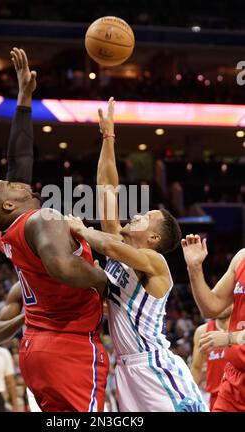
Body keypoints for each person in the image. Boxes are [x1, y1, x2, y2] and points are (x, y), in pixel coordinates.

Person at [0, 48, 109, 412]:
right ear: (7, 204)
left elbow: (19, 159)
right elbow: (63, 268)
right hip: (70, 347)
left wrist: (24, 98)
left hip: (37, 348)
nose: (17, 181)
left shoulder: (13, 231)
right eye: (9, 185)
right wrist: (104, 281)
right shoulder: (41, 219)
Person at [65, 97, 208, 412]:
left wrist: (81, 229)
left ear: (154, 237)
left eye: (145, 216)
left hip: (155, 366)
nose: (137, 214)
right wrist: (108, 138)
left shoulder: (155, 263)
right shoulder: (122, 246)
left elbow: (111, 246)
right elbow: (106, 188)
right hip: (126, 370)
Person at [181, 235, 245, 411]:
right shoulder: (241, 258)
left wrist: (230, 338)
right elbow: (212, 306)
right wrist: (194, 268)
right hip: (234, 382)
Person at [0, 282, 41, 412]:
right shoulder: (21, 286)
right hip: (37, 364)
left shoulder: (72, 274)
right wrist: (26, 315)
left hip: (73, 355)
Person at [191, 306, 232, 410]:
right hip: (216, 398)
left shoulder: (241, 329)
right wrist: (190, 396)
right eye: (218, 300)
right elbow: (196, 367)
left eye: (226, 301)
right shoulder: (203, 331)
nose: (221, 305)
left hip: (240, 394)